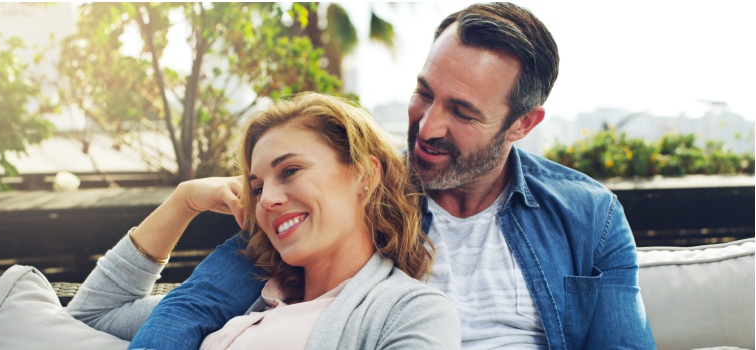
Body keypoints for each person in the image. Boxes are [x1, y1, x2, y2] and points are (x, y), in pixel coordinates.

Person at [128, 2, 656, 349]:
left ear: (522, 123)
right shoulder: (350, 189)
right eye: (424, 93)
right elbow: (192, 307)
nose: (427, 127)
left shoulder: (590, 216)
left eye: (463, 112)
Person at [66, 93, 460, 349]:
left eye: (289, 171)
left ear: (365, 175)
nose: (267, 199)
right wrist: (183, 201)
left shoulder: (413, 311)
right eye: (256, 186)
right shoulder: (247, 299)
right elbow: (94, 315)